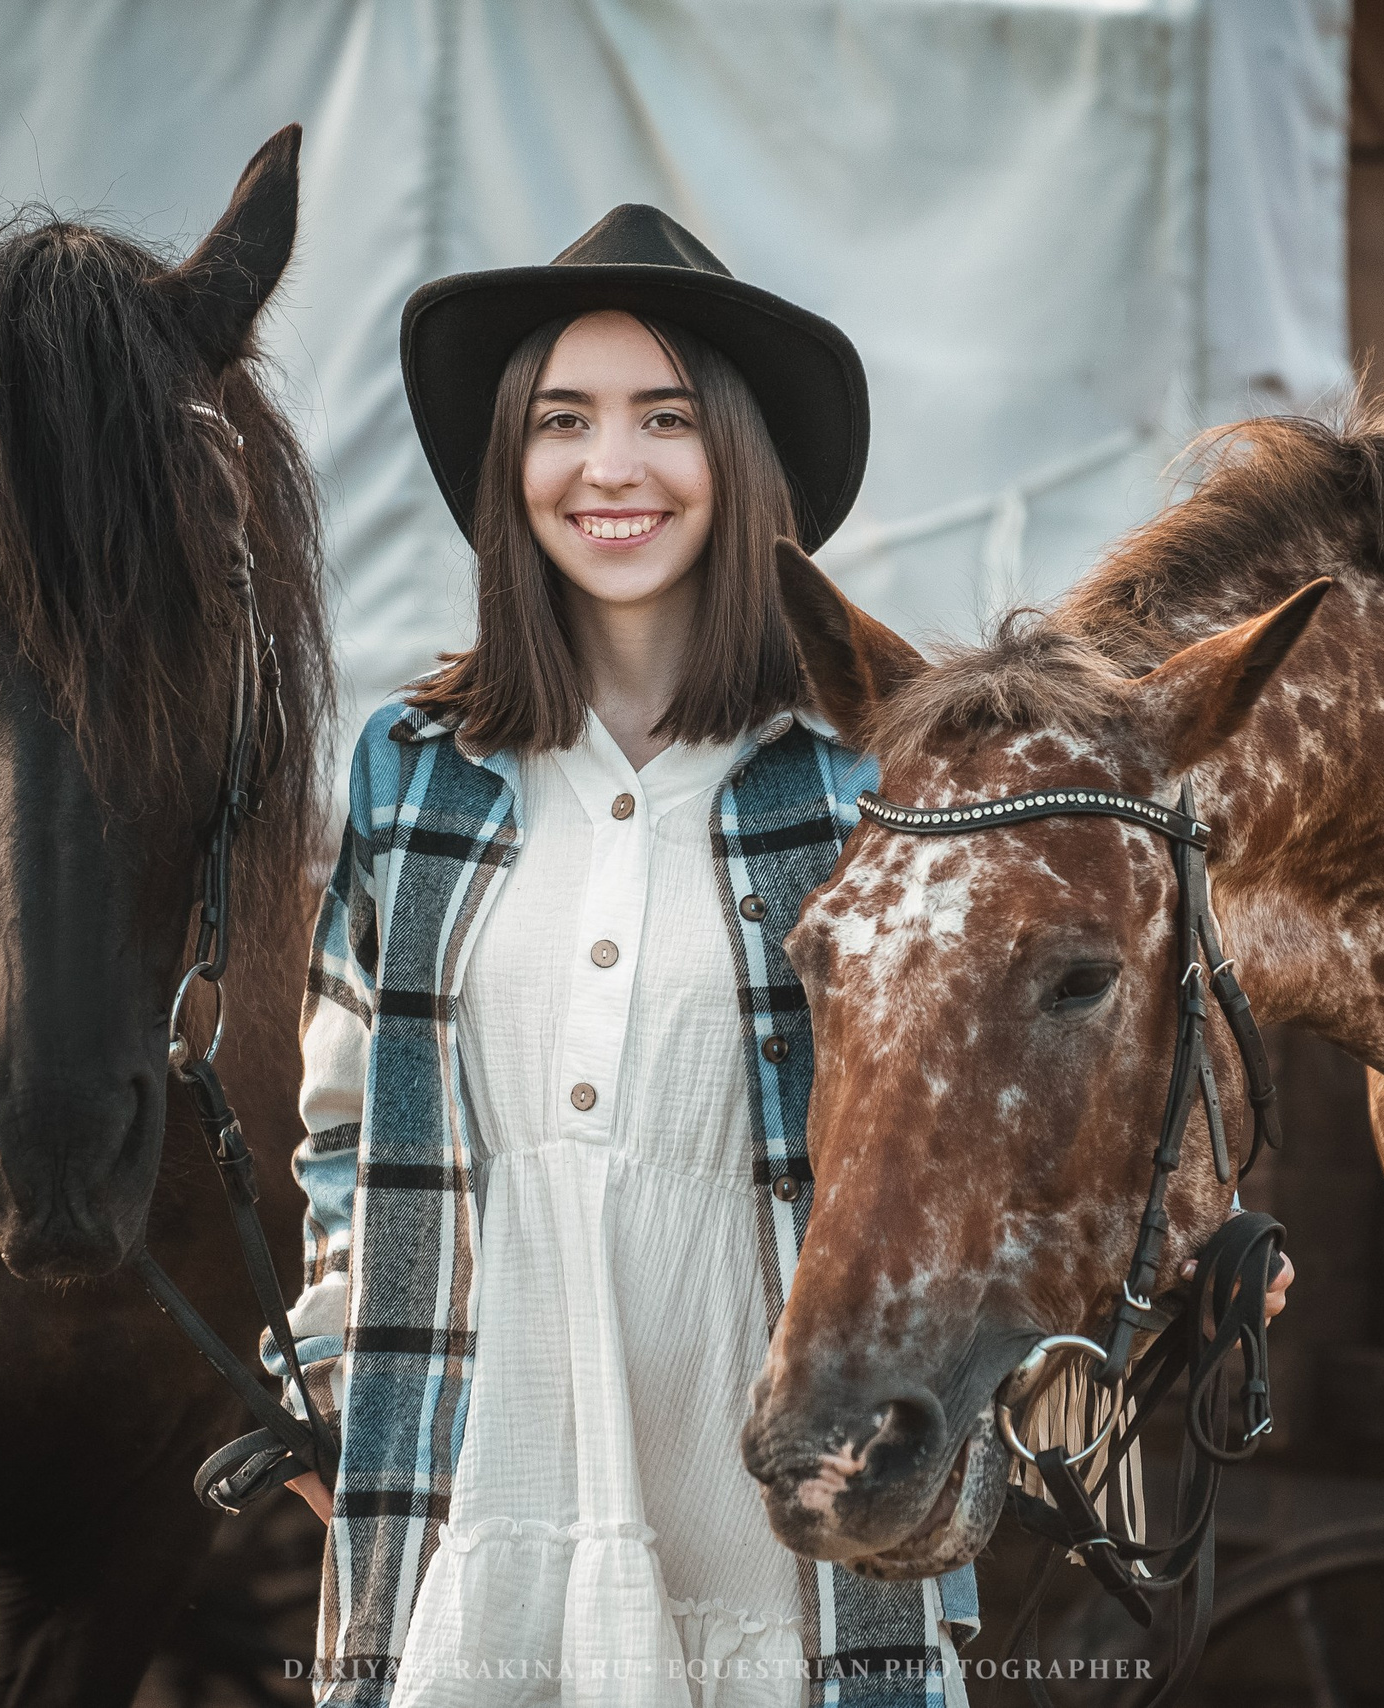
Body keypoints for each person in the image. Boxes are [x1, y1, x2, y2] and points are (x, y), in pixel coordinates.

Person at [267, 205, 1292, 1708]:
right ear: (511, 465)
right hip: (476, 1521)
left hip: (778, 1550)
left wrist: (1191, 1254)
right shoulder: (415, 774)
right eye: (563, 422)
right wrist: (342, 1390)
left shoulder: (859, 795)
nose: (609, 467)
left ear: (738, 464)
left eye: (663, 421)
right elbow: (347, 1122)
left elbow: (987, 1133)